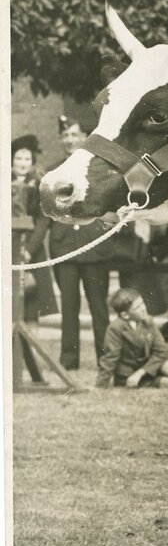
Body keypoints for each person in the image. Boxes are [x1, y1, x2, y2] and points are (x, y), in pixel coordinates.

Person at [47, 115, 117, 370]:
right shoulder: (53, 170)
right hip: (64, 247)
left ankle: (105, 360)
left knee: (98, 306)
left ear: (85, 137)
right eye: (65, 135)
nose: (69, 140)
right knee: (69, 307)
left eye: (74, 134)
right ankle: (69, 360)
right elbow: (45, 213)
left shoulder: (97, 169)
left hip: (94, 247)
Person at [96, 288, 168, 389]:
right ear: (125, 315)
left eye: (142, 303)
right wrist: (100, 385)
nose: (143, 308)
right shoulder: (115, 328)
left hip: (150, 366)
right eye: (137, 307)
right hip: (130, 375)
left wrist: (141, 372)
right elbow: (110, 358)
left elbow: (162, 351)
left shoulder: (147, 322)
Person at [11, 134, 58, 385]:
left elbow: (42, 222)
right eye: (18, 158)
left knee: (30, 312)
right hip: (7, 252)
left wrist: (28, 250)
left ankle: (35, 368)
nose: (22, 163)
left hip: (32, 253)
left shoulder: (38, 185)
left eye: (26, 159)